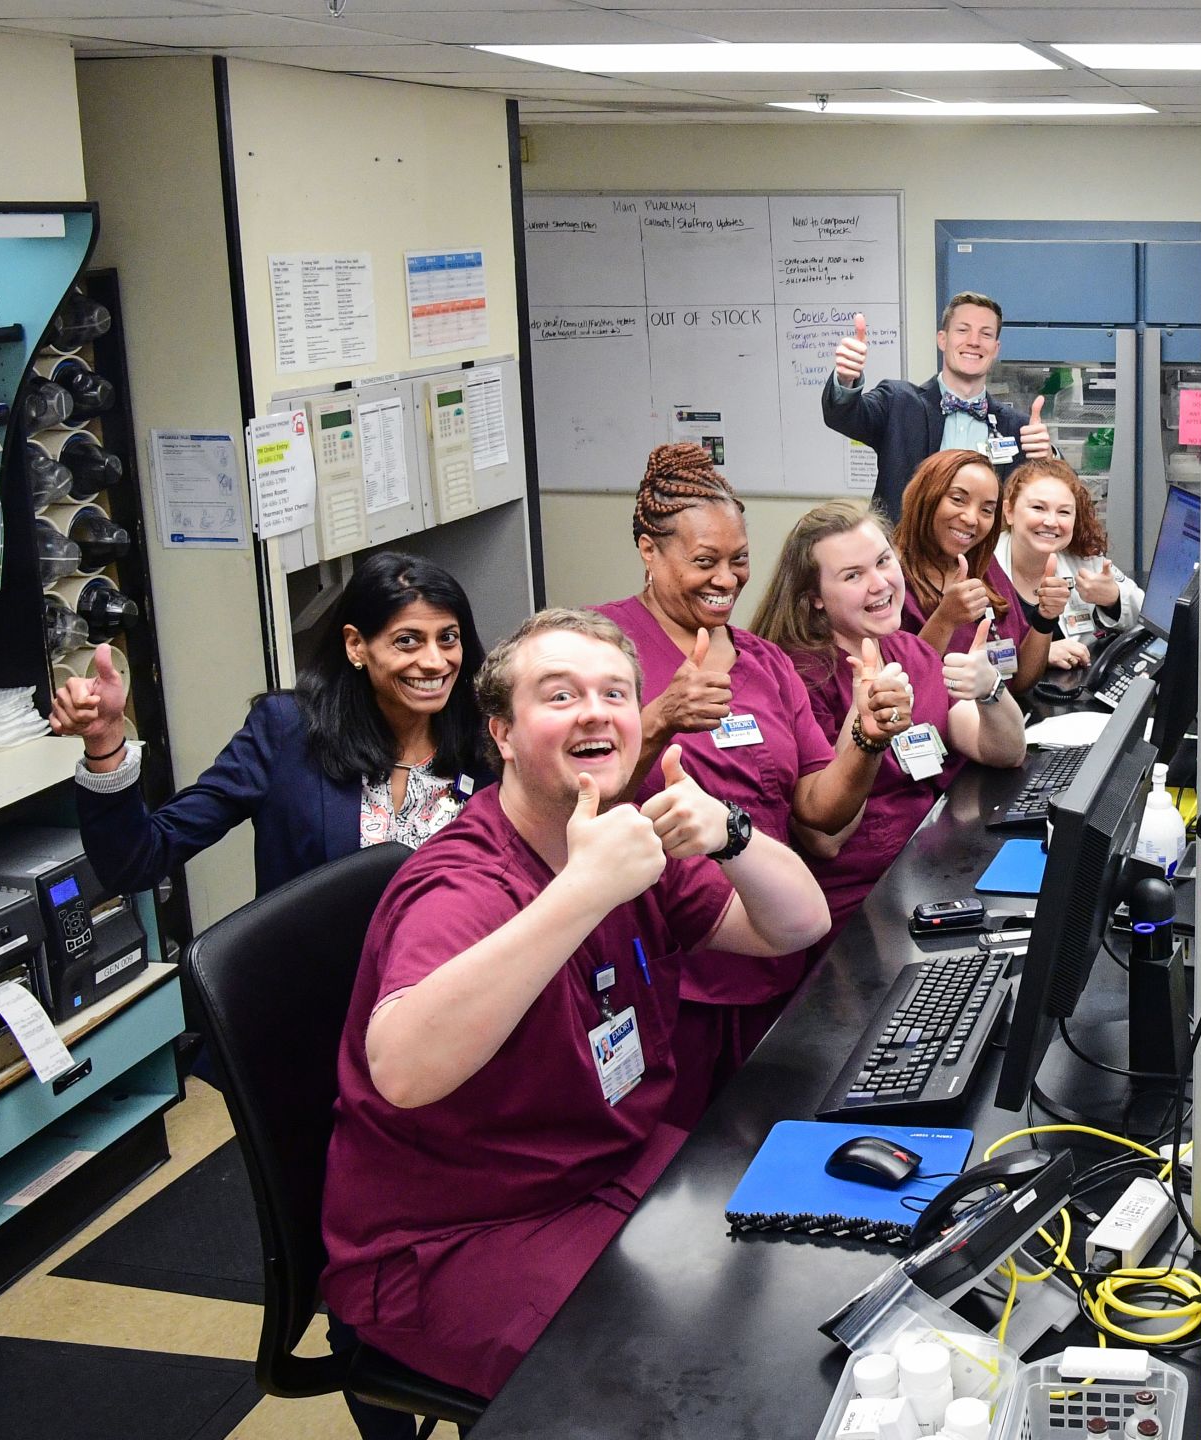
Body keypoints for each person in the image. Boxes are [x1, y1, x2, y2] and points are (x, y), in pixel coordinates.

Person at [320, 608, 831, 1402]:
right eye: (560, 696)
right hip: (457, 1237)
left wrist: (732, 834)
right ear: (501, 733)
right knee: (701, 1378)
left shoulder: (627, 844)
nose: (595, 711)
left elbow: (797, 926)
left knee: (800, 1268)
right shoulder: (463, 882)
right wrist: (582, 893)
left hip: (608, 1168)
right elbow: (404, 1068)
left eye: (616, 693)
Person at [591, 443, 897, 1121]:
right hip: (678, 973)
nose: (725, 579)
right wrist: (662, 716)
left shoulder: (763, 661)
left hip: (780, 953)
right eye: (704, 562)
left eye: (738, 560)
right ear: (649, 550)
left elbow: (818, 809)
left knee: (771, 1137)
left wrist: (867, 734)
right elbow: (575, 798)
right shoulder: (605, 648)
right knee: (683, 1166)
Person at [55, 551, 490, 898]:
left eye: (447, 638)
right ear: (356, 645)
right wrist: (105, 742)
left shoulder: (488, 739)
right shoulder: (287, 731)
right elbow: (138, 862)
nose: (435, 661)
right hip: (325, 998)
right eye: (407, 641)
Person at [753, 502, 1027, 939]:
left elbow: (1003, 752)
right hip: (865, 904)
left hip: (936, 869)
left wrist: (991, 691)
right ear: (814, 598)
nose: (880, 584)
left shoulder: (908, 650)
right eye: (853, 575)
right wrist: (864, 727)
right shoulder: (798, 677)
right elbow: (827, 837)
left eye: (883, 562)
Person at [823, 292, 1055, 519]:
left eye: (985, 334)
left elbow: (1055, 497)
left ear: (995, 349)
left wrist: (1048, 457)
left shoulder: (1018, 428)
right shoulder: (898, 403)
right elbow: (843, 416)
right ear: (942, 339)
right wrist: (846, 378)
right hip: (904, 554)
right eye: (963, 330)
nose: (973, 342)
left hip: (984, 555)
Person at [893, 447, 1052, 697]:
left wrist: (1046, 617)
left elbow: (1017, 682)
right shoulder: (890, 579)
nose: (971, 518)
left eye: (987, 510)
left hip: (1000, 725)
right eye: (958, 499)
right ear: (925, 496)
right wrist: (945, 619)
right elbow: (902, 693)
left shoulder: (986, 568)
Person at [996, 456, 1142, 672]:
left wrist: (1114, 599)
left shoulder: (1084, 560)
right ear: (1009, 512)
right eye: (1038, 508)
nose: (1051, 522)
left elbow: (1149, 617)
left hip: (1069, 693)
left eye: (1064, 512)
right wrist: (1037, 654)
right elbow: (964, 652)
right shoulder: (984, 564)